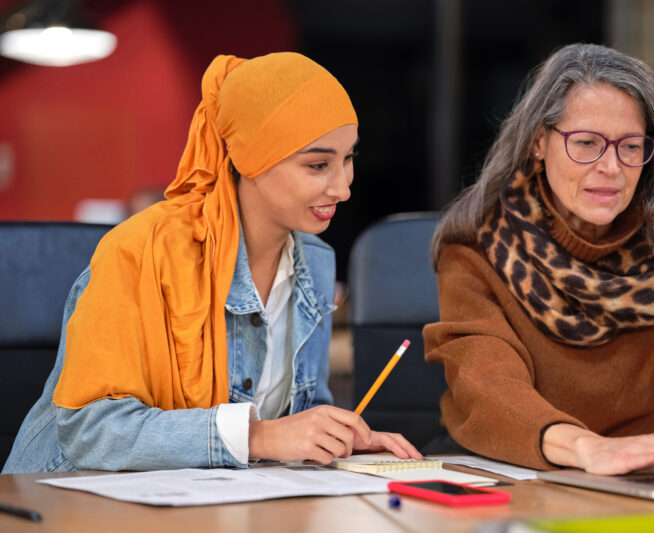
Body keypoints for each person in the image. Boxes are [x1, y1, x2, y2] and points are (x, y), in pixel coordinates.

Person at [4, 52, 420, 473]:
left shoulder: (315, 261)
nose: (343, 188)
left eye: (348, 158)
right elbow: (87, 431)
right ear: (249, 157)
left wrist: (338, 440)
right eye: (318, 164)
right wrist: (258, 436)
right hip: (63, 505)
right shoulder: (139, 250)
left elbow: (297, 417)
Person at [424, 43, 654, 475]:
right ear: (538, 142)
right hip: (521, 477)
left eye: (630, 146)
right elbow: (487, 385)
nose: (611, 166)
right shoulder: (477, 249)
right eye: (587, 143)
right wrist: (587, 448)